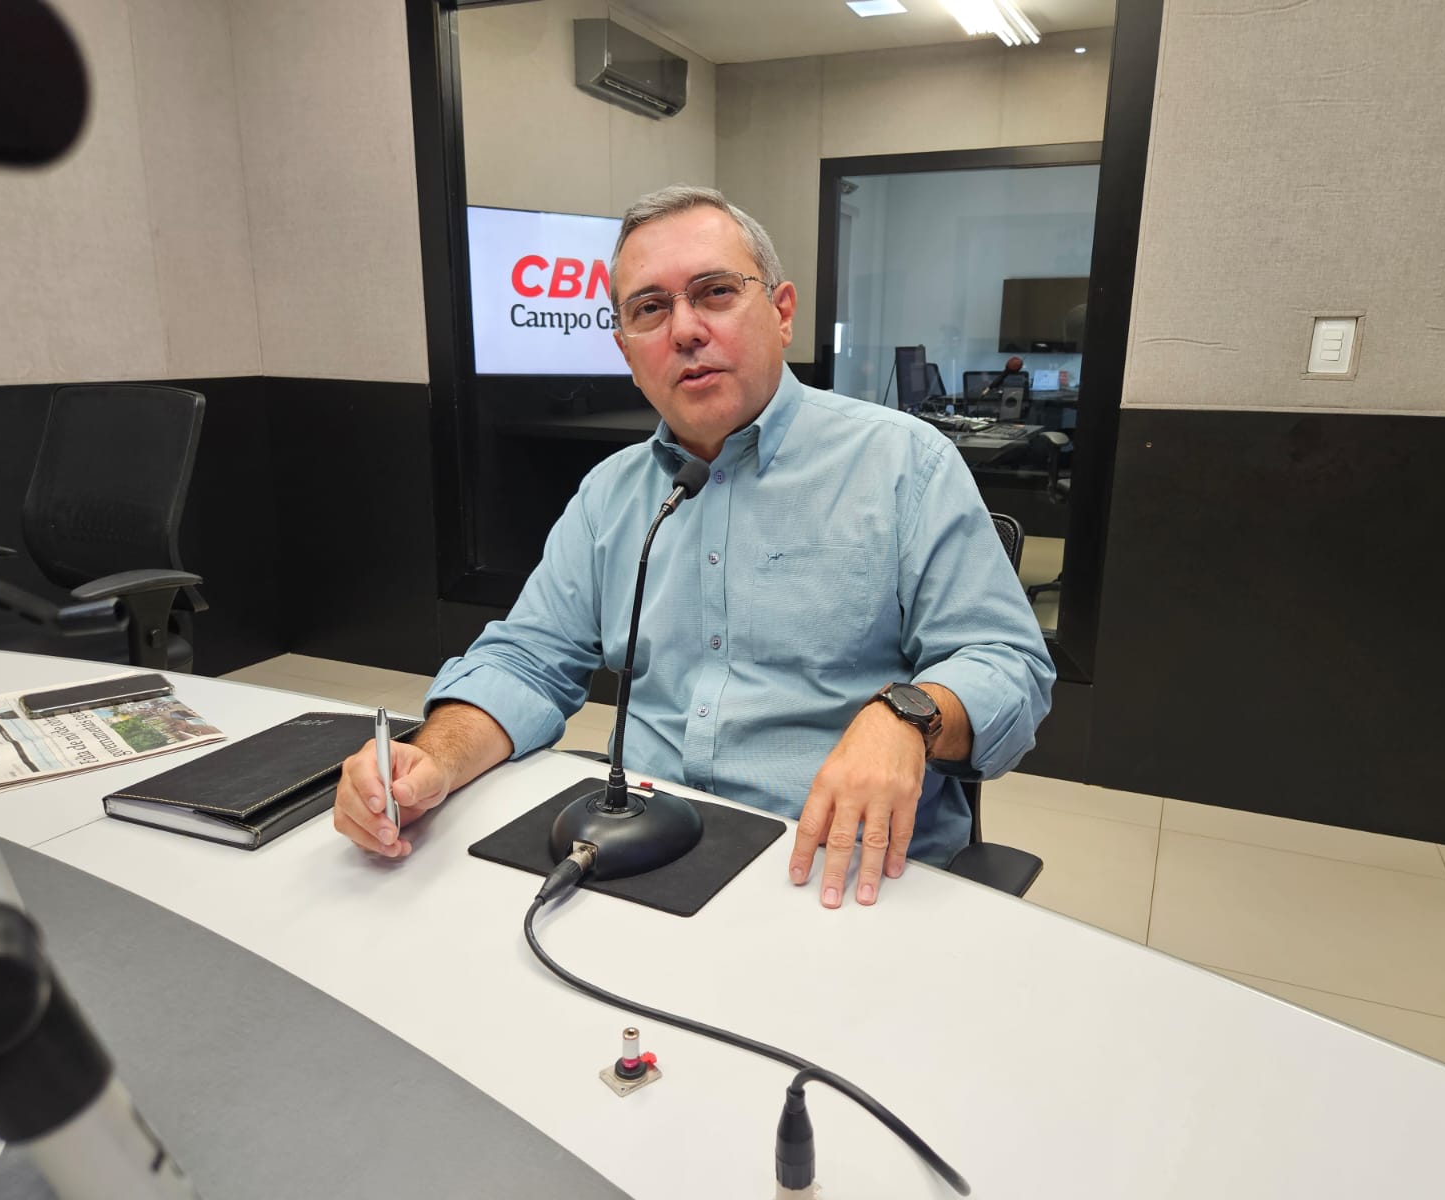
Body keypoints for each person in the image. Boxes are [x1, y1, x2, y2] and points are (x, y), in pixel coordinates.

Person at [334, 185, 1054, 907]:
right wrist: (429, 759)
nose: (683, 330)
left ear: (780, 312)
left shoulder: (904, 464)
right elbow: (525, 661)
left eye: (714, 293)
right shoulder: (609, 495)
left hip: (838, 866)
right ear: (625, 348)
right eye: (649, 308)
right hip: (641, 849)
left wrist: (907, 715)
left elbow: (1010, 667)